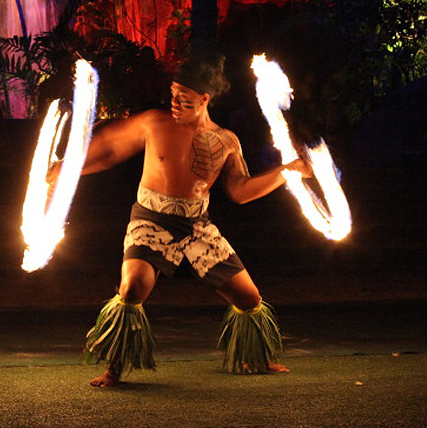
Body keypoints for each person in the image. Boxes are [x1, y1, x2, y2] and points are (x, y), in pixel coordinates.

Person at [53, 52, 311, 387]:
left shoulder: (226, 141)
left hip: (197, 226)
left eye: (183, 98)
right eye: (172, 94)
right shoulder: (154, 123)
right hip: (151, 219)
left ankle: (254, 357)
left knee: (250, 299)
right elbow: (110, 149)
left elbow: (241, 191)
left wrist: (288, 171)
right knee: (132, 287)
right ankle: (113, 369)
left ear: (204, 99)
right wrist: (67, 169)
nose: (174, 102)